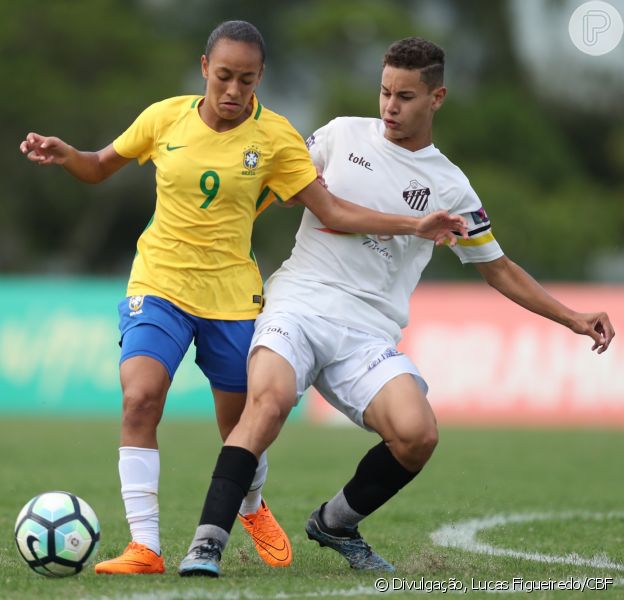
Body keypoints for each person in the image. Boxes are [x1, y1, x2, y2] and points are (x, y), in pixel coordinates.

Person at [19, 24, 467, 575]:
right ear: (205, 67)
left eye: (247, 80)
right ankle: (145, 547)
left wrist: (410, 224)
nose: (233, 90)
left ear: (260, 80)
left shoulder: (276, 138)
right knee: (140, 398)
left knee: (241, 429)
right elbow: (98, 166)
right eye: (224, 76)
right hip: (158, 284)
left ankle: (252, 506)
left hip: (232, 297)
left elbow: (330, 212)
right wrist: (68, 155)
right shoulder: (165, 117)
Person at [178, 36, 615, 577]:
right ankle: (207, 543)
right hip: (299, 302)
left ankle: (334, 523)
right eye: (384, 91)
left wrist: (573, 317)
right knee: (266, 403)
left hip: (367, 333)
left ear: (437, 98)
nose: (389, 106)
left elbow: (498, 268)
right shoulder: (338, 136)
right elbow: (269, 191)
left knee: (417, 434)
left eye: (405, 96)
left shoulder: (451, 187)